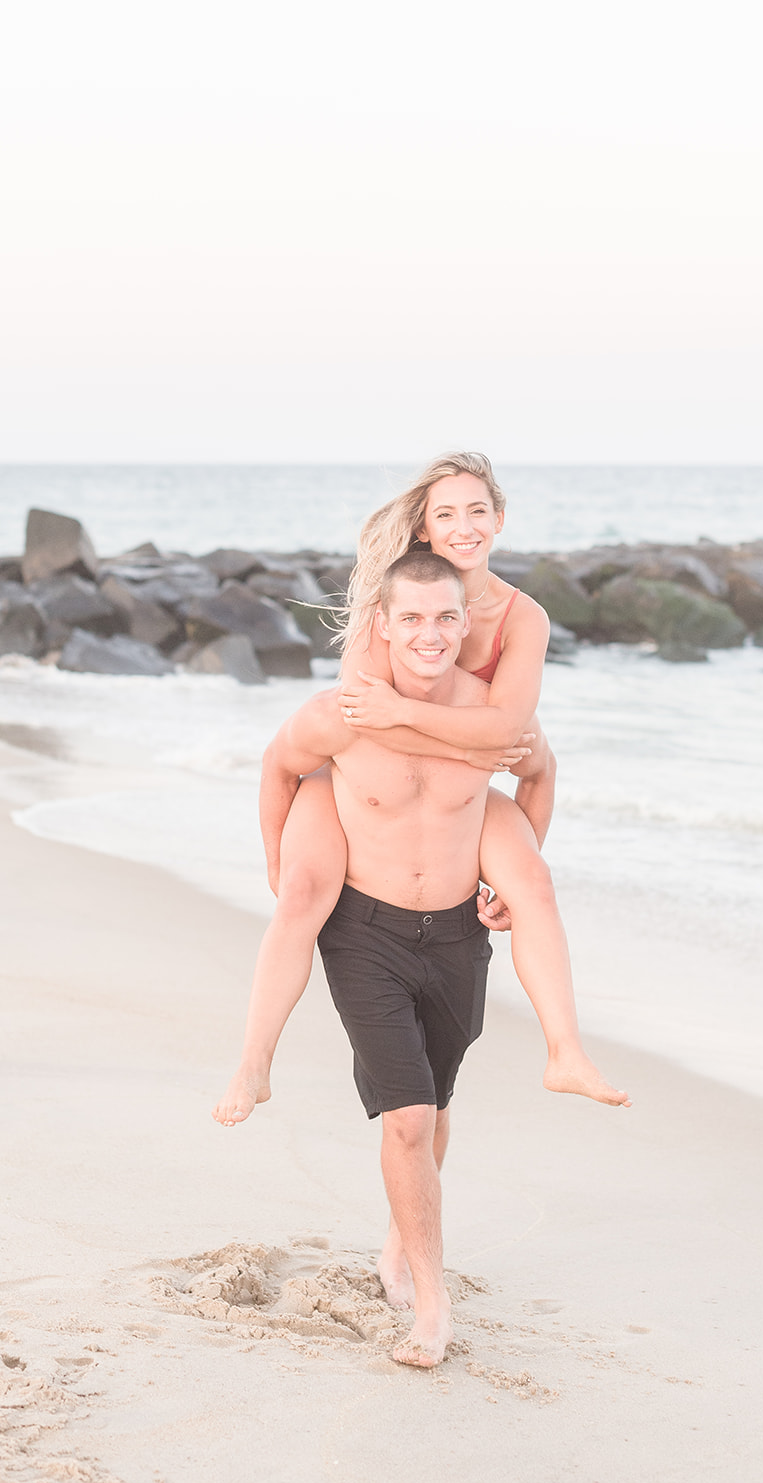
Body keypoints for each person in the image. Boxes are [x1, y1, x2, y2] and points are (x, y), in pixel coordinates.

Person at [217, 551, 629, 1367]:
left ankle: (401, 1245)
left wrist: (510, 882)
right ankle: (432, 1308)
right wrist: (276, 863)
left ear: (466, 623)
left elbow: (541, 773)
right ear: (383, 625)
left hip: (453, 939)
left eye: (445, 617)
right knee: (406, 1118)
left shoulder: (491, 720)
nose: (430, 634)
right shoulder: (344, 713)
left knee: (432, 1113)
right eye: (411, 618)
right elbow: (278, 764)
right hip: (364, 933)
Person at [213, 452, 626, 1131]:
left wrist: (498, 868)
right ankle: (254, 1062)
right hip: (357, 778)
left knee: (535, 883)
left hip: (459, 789)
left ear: (498, 520)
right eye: (446, 514)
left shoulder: (525, 619)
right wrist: (477, 745)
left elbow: (508, 737)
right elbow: (363, 728)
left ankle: (566, 1053)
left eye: (476, 511)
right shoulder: (390, 601)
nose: (463, 526)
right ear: (426, 530)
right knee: (304, 895)